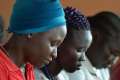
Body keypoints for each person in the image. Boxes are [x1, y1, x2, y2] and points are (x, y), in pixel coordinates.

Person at [0, 0, 67, 80]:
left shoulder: (27, 68)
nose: (55, 54)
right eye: (53, 44)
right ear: (30, 32)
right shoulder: (2, 71)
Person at [35, 7, 93, 80]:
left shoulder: (63, 77)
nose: (83, 58)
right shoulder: (33, 75)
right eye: (79, 50)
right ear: (59, 43)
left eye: (85, 51)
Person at [86, 11, 120, 80]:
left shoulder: (103, 71)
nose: (113, 61)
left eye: (117, 56)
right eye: (112, 52)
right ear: (94, 36)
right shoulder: (72, 67)